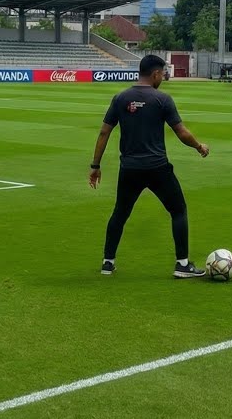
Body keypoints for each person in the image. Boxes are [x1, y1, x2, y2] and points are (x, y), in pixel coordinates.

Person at [90, 54, 211, 278]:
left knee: (120, 213)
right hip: (157, 168)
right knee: (178, 210)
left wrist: (95, 165)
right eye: (163, 74)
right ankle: (182, 265)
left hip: (130, 169)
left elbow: (104, 132)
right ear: (155, 73)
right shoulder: (162, 99)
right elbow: (181, 132)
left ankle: (108, 262)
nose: (163, 78)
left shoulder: (120, 98)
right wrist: (199, 146)